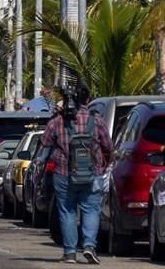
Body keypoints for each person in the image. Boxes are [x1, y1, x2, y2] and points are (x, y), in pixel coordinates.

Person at [41, 86, 112, 264]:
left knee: (67, 212)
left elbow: (45, 146)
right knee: (91, 210)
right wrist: (104, 163)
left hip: (63, 174)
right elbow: (108, 146)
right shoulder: (96, 119)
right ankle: (89, 246)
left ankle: (70, 253)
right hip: (92, 173)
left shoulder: (56, 121)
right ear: (86, 100)